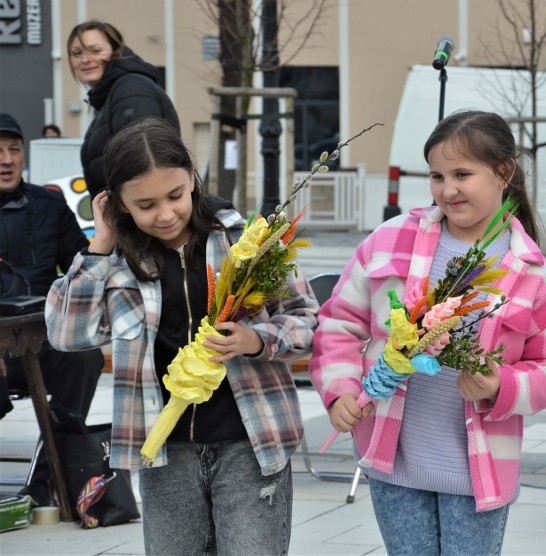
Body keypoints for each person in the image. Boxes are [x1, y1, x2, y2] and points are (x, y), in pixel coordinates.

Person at [45, 117, 318, 554]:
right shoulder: (113, 261)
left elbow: (307, 318)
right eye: (145, 204)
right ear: (118, 204)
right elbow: (65, 335)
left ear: (192, 178)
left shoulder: (248, 240)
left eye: (175, 195)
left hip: (250, 445)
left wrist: (258, 339)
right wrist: (100, 244)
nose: (166, 214)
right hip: (165, 454)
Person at [310, 110, 546, 555]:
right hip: (394, 460)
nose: (448, 189)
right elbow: (339, 324)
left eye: (462, 174)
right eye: (437, 176)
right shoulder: (390, 240)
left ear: (503, 173)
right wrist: (340, 391)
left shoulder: (531, 272)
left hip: (479, 469)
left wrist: (501, 385)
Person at [0, 112, 104, 506]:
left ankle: (46, 478)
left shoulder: (49, 204)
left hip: (40, 340)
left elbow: (81, 263)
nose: (6, 159)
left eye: (13, 150)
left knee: (84, 357)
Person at [67, 20, 180, 198]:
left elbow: (144, 166)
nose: (85, 59)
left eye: (95, 50)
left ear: (115, 51)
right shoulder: (111, 96)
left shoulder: (131, 89)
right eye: (76, 53)